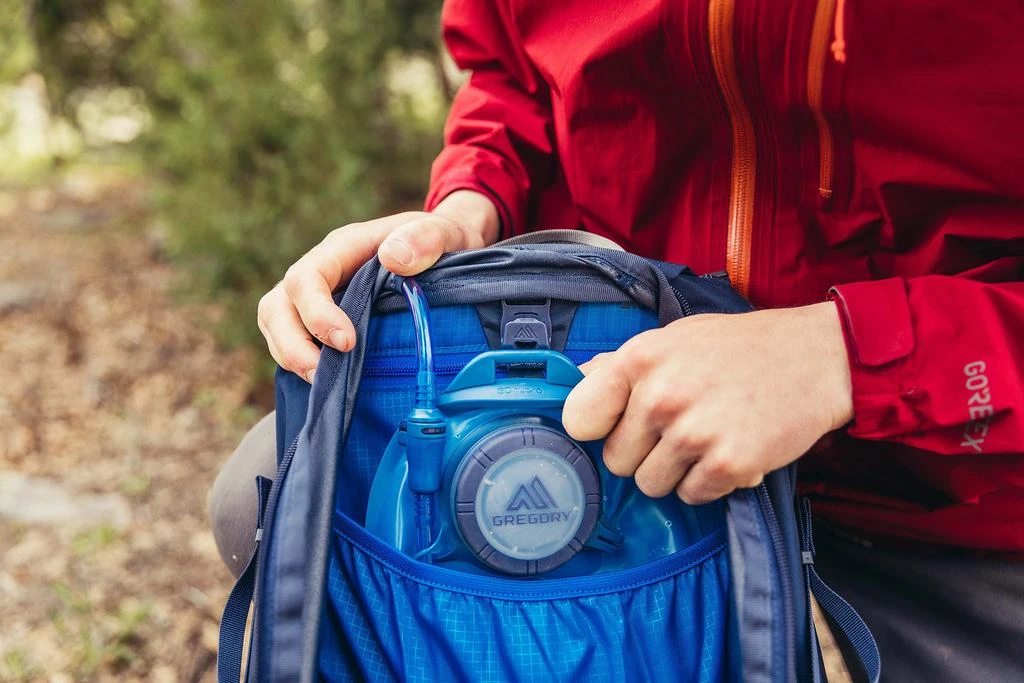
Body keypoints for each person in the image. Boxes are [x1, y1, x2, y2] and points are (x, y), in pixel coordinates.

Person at [210, 1, 1024, 680]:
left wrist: (853, 357)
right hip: (621, 427)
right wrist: (473, 204)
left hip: (965, 486)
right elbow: (514, 71)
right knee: (267, 494)